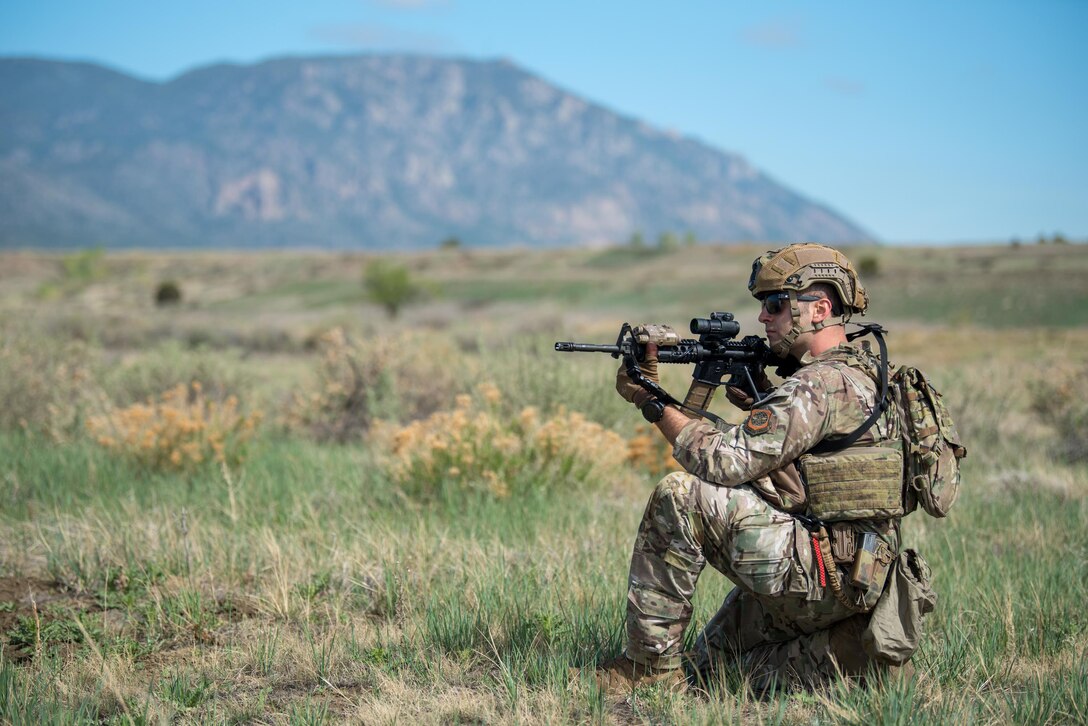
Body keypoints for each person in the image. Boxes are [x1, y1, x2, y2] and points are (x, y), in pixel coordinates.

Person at [599, 243, 916, 695]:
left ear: (820, 308)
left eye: (775, 305)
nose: (764, 318)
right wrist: (765, 401)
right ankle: (851, 658)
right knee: (711, 671)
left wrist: (650, 400)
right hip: (860, 572)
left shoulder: (818, 385)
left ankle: (648, 672)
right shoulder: (869, 374)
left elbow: (722, 461)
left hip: (822, 571)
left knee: (681, 495)